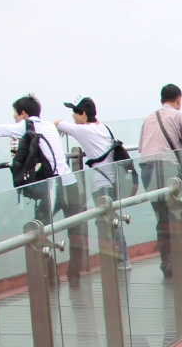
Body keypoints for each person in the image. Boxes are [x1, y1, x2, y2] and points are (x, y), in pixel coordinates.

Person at [0, 94, 83, 283]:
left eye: (15, 116)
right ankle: (74, 274)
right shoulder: (49, 125)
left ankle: (50, 276)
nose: (15, 120)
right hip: (71, 183)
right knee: (75, 230)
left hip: (54, 187)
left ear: (23, 113)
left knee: (38, 228)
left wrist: (18, 128)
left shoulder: (28, 125)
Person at [137, 84, 182, 278]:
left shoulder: (149, 119)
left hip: (147, 169)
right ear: (179, 99)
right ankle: (179, 264)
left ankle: (167, 264)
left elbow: (141, 149)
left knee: (163, 219)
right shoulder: (179, 117)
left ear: (162, 100)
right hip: (169, 168)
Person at [54, 97, 131, 270]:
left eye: (75, 112)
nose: (73, 116)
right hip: (114, 180)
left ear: (83, 114)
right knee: (113, 219)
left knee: (106, 221)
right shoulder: (102, 127)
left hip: (102, 183)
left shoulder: (84, 131)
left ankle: (120, 260)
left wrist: (65, 126)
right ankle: (121, 258)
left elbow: (58, 123)